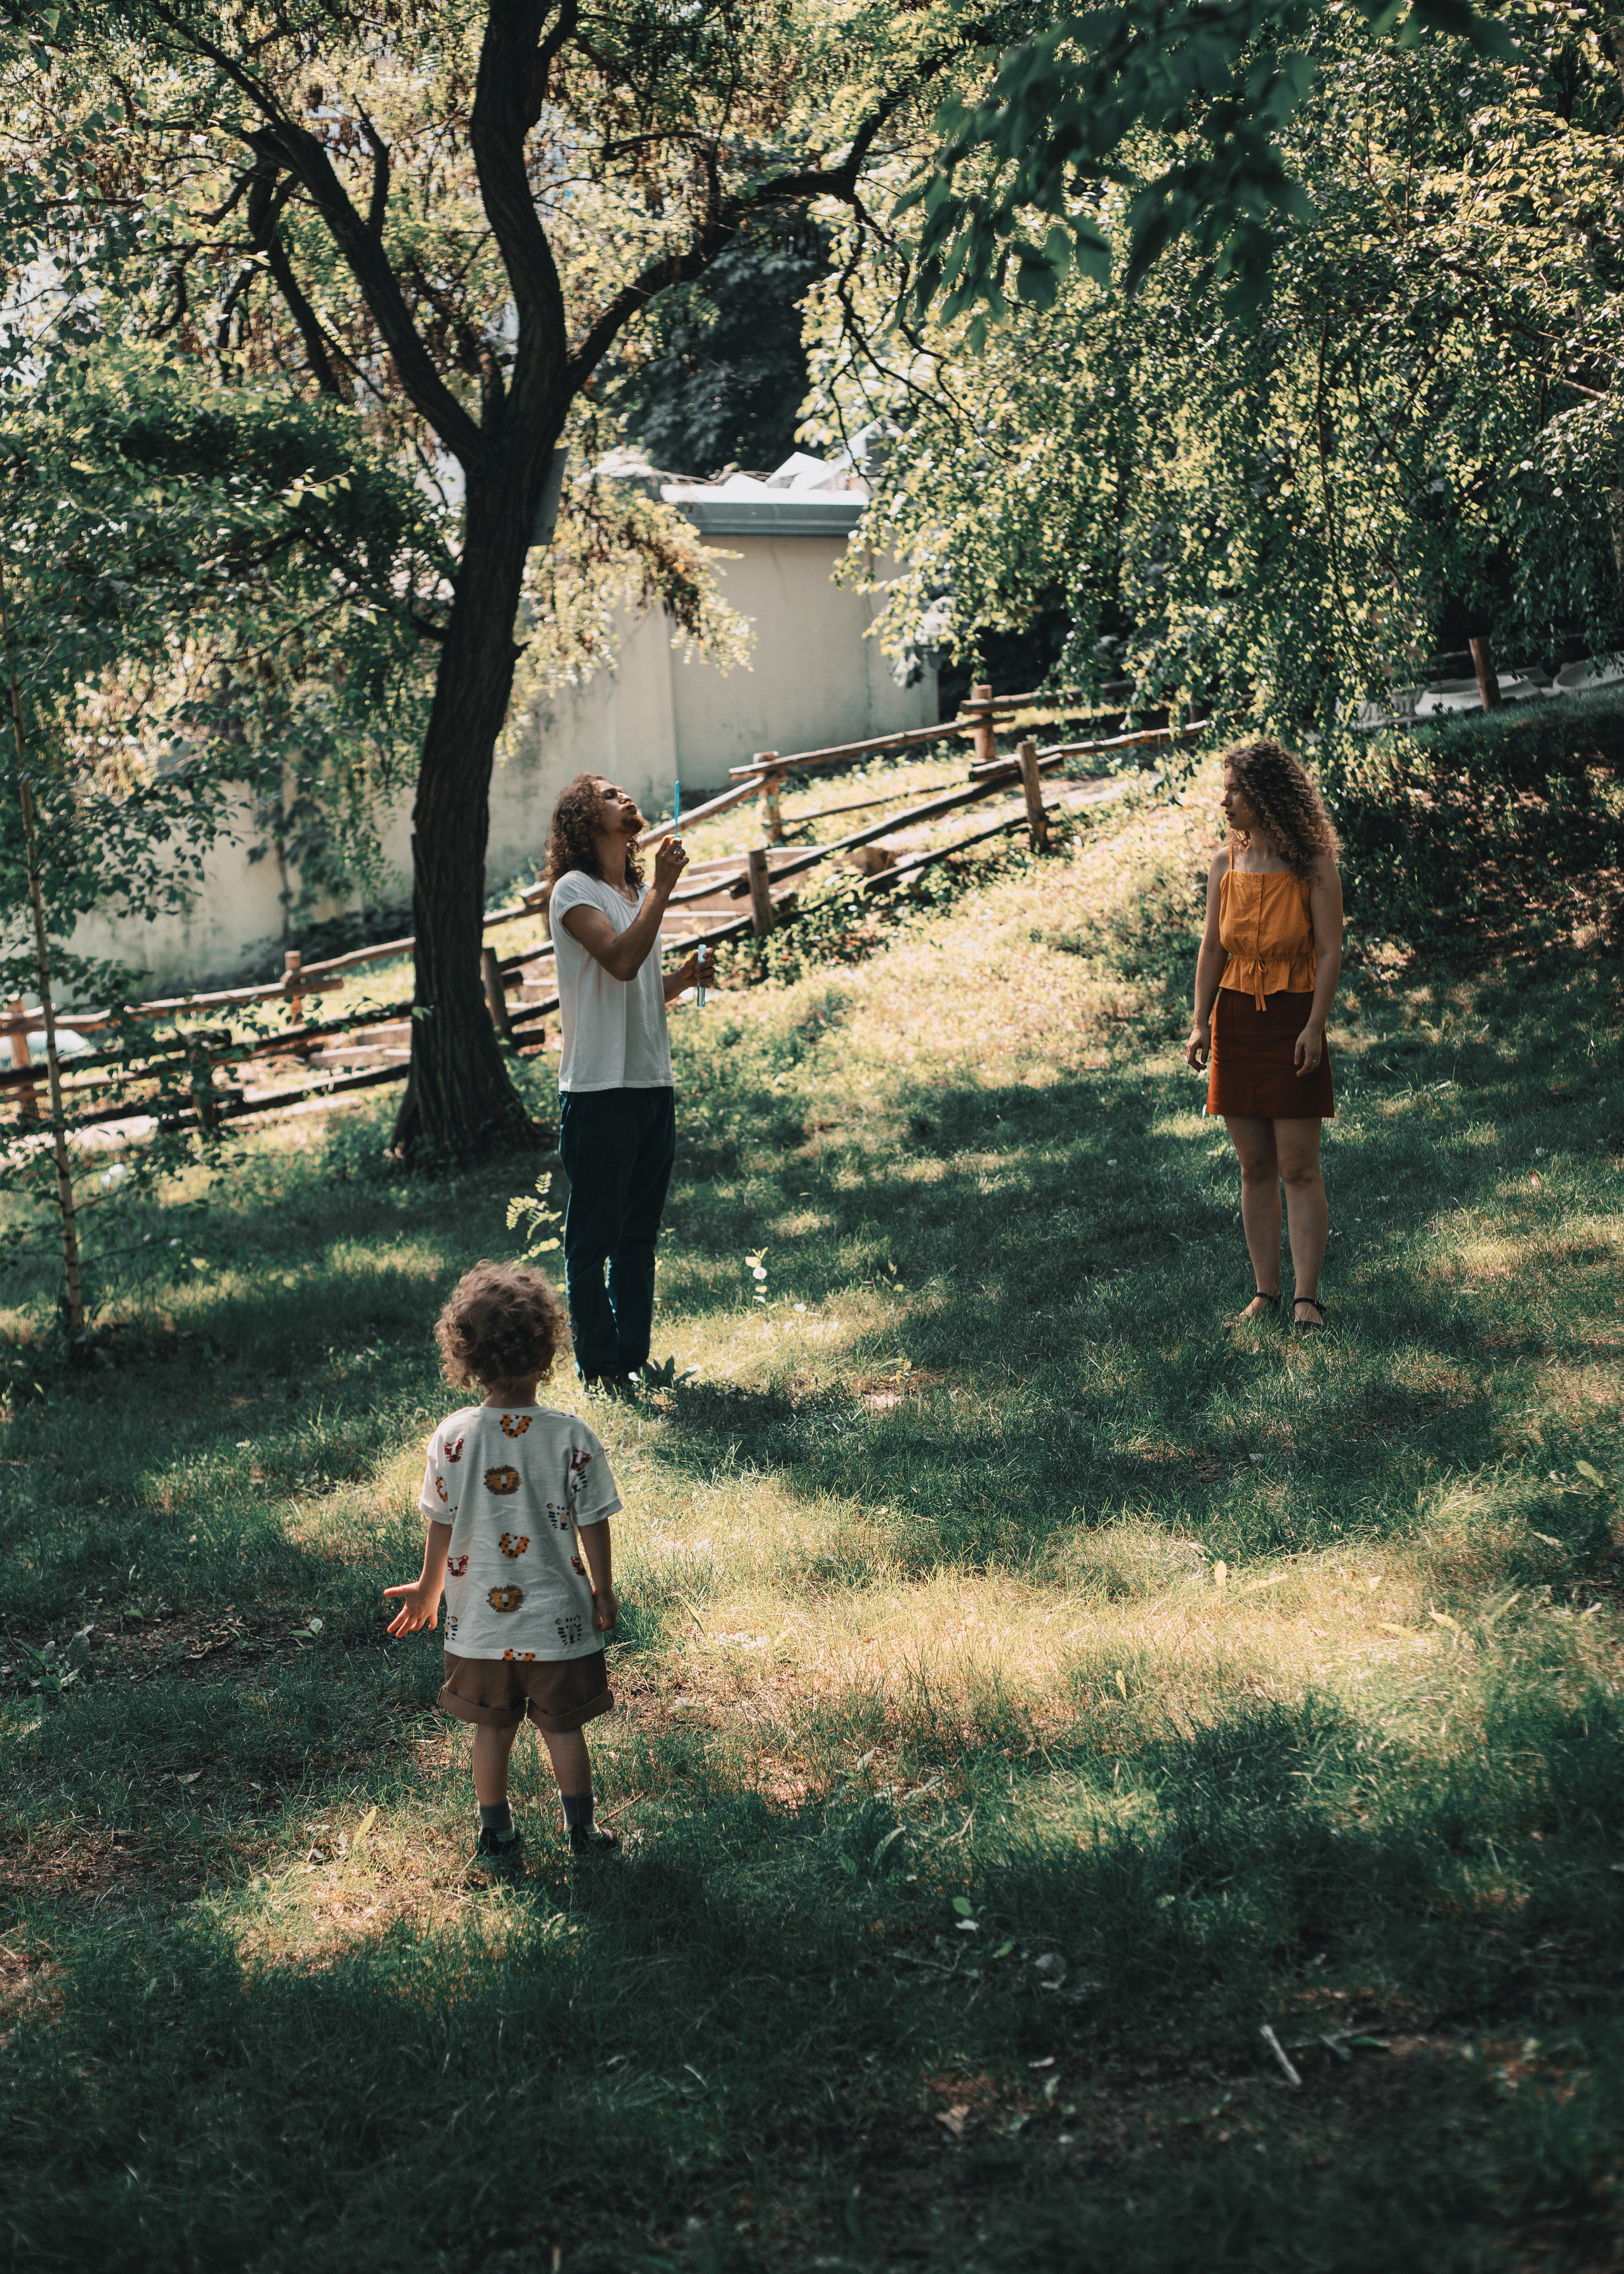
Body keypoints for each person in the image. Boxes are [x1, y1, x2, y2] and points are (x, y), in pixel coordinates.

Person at [384, 1260, 622, 1871]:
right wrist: (603, 1590)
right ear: (549, 1350)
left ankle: (497, 1839)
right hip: (557, 1621)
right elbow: (594, 1519)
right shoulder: (571, 1435)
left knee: (492, 1730)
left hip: (479, 1627)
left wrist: (429, 1588)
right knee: (564, 1730)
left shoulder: (454, 1436)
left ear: (466, 1356)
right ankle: (583, 1836)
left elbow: (441, 1521)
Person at [542, 773, 709, 1393]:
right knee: (595, 1238)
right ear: (585, 820)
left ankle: (633, 1359)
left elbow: (636, 982)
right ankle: (601, 1366)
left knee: (638, 1235)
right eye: (609, 795)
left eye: (621, 791)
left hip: (648, 1081)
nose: (625, 797)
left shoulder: (632, 888)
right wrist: (663, 891)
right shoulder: (574, 890)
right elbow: (617, 960)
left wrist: (682, 978)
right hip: (597, 1089)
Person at [1186, 739, 1345, 1330]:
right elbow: (1212, 947)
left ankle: (1307, 1299)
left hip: (1293, 1017)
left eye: (1234, 789)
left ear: (1267, 795)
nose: (1224, 799)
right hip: (1236, 1019)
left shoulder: (1313, 864)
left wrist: (1315, 1026)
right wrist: (1201, 1022)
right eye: (1225, 788)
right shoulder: (1225, 863)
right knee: (1254, 1166)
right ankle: (1265, 1295)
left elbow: (1329, 950)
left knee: (1298, 1166)